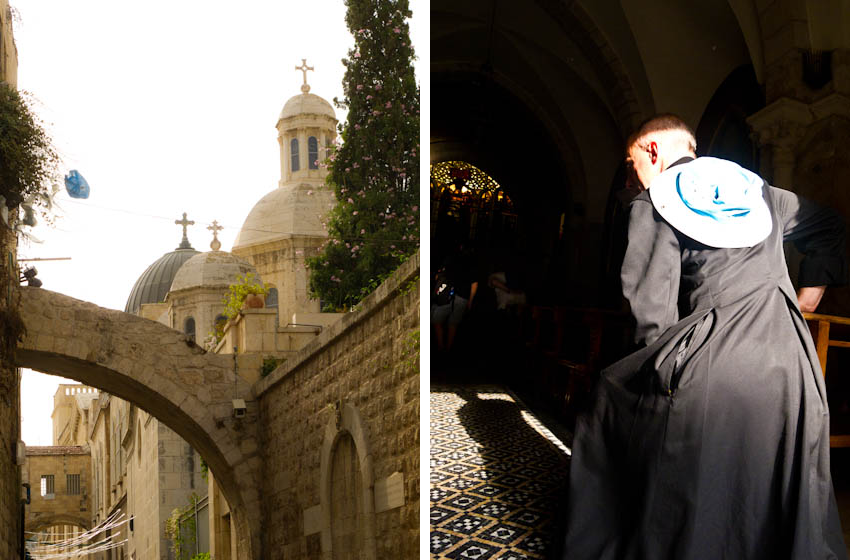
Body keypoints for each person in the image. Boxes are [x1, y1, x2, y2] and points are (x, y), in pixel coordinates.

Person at [563, 114, 848, 559]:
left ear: (652, 150)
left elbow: (651, 316)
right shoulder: (761, 191)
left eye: (633, 162)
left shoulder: (654, 200)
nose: (634, 175)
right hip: (791, 362)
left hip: (715, 356)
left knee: (607, 401)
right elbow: (830, 226)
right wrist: (804, 299)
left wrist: (650, 382)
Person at [431, 242, 478, 353]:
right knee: (453, 324)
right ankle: (449, 348)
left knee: (436, 321)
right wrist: (470, 301)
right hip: (462, 297)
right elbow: (474, 284)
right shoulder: (473, 263)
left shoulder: (450, 258)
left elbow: (438, 275)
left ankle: (440, 347)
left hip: (446, 295)